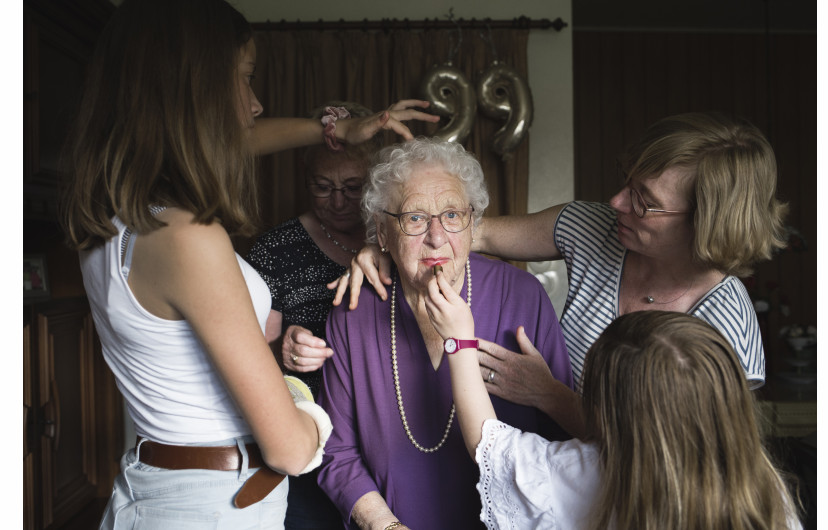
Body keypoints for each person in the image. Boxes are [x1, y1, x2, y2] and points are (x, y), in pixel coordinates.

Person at [59, 0, 438, 527]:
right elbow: (289, 449)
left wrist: (336, 131)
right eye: (244, 79)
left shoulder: (109, 217)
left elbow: (225, 140)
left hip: (154, 489)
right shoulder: (189, 238)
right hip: (217, 506)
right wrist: (309, 406)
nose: (256, 105)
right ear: (197, 94)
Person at [333, 112, 787, 430]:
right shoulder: (594, 226)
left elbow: (680, 460)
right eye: (628, 183)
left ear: (705, 224)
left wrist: (550, 396)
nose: (616, 203)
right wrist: (388, 245)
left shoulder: (727, 326)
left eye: (644, 201)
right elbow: (464, 231)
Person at [317, 137, 575, 530]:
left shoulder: (522, 296)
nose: (437, 236)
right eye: (415, 218)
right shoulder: (354, 311)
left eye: (452, 215)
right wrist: (384, 526)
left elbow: (566, 445)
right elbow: (337, 452)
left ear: (472, 224)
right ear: (382, 234)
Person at [424, 287, 802, 529]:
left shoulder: (592, 473)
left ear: (611, 414)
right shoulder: (765, 490)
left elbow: (488, 446)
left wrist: (459, 341)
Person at [246, 101, 381, 529]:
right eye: (323, 187)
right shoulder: (273, 249)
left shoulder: (399, 238)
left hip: (385, 431)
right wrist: (282, 348)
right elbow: (249, 353)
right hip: (309, 438)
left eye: (354, 187)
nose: (338, 202)